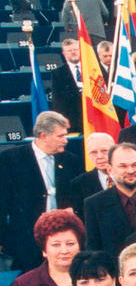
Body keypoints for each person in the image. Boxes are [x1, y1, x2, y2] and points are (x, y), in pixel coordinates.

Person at [0, 111, 81, 271]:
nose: (65, 141)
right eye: (60, 136)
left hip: (62, 236)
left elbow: (79, 196)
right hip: (25, 240)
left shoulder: (71, 160)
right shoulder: (11, 159)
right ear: (43, 136)